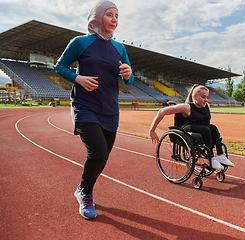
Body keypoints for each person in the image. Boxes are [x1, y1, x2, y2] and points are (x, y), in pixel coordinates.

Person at [55, 0, 134, 220]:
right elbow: (59, 66)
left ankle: (83, 188)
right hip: (85, 106)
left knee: (103, 157)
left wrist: (128, 74)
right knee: (97, 152)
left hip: (110, 109)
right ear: (98, 16)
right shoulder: (80, 43)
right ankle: (86, 192)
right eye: (109, 15)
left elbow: (129, 79)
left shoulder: (120, 48)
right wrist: (78, 78)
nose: (114, 20)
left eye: (117, 16)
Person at [149, 84, 234, 169]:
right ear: (194, 97)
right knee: (206, 129)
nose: (206, 100)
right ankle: (211, 159)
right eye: (203, 97)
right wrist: (152, 130)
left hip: (201, 129)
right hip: (186, 128)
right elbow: (161, 111)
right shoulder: (187, 107)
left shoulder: (206, 106)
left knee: (213, 128)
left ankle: (220, 155)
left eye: (207, 97)